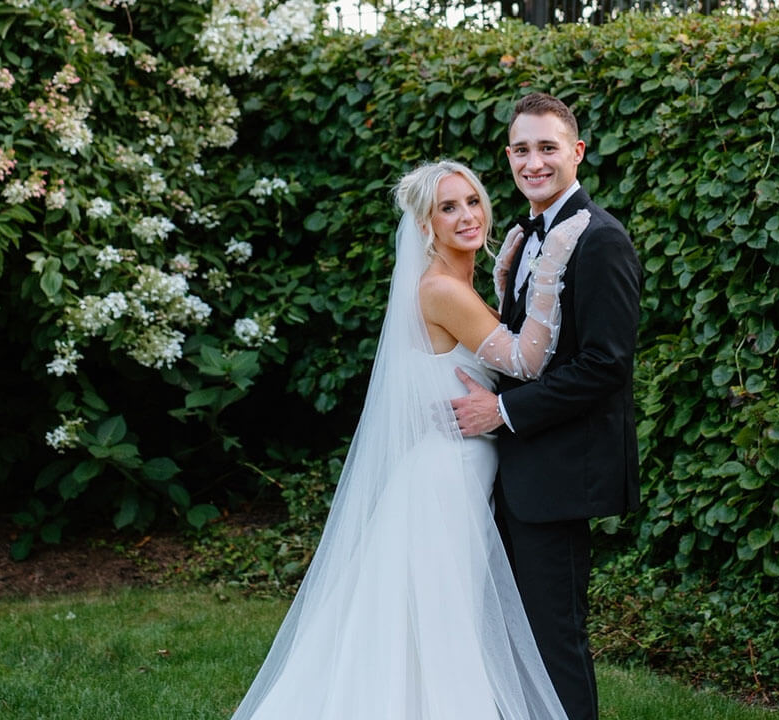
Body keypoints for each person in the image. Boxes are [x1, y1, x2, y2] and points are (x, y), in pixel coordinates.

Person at [229, 160, 589, 720]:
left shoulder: (454, 284)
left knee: (435, 621)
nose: (467, 215)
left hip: (455, 470)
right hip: (447, 478)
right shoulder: (442, 289)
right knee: (445, 626)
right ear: (425, 225)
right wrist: (553, 265)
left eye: (471, 200)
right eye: (449, 207)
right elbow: (527, 360)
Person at [451, 92, 642, 720]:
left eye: (548, 148)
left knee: (554, 637)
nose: (534, 162)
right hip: (519, 466)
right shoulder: (526, 235)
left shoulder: (602, 240)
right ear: (509, 156)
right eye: (522, 150)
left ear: (577, 152)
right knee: (517, 636)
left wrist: (503, 414)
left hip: (559, 471)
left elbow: (606, 365)